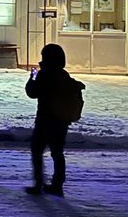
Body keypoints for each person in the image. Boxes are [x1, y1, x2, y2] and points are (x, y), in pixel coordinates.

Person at [24, 44, 84, 196]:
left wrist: (33, 77)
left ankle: (38, 184)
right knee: (57, 152)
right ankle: (57, 184)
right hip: (61, 121)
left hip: (45, 119)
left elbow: (32, 92)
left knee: (37, 151)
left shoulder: (45, 74)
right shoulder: (64, 75)